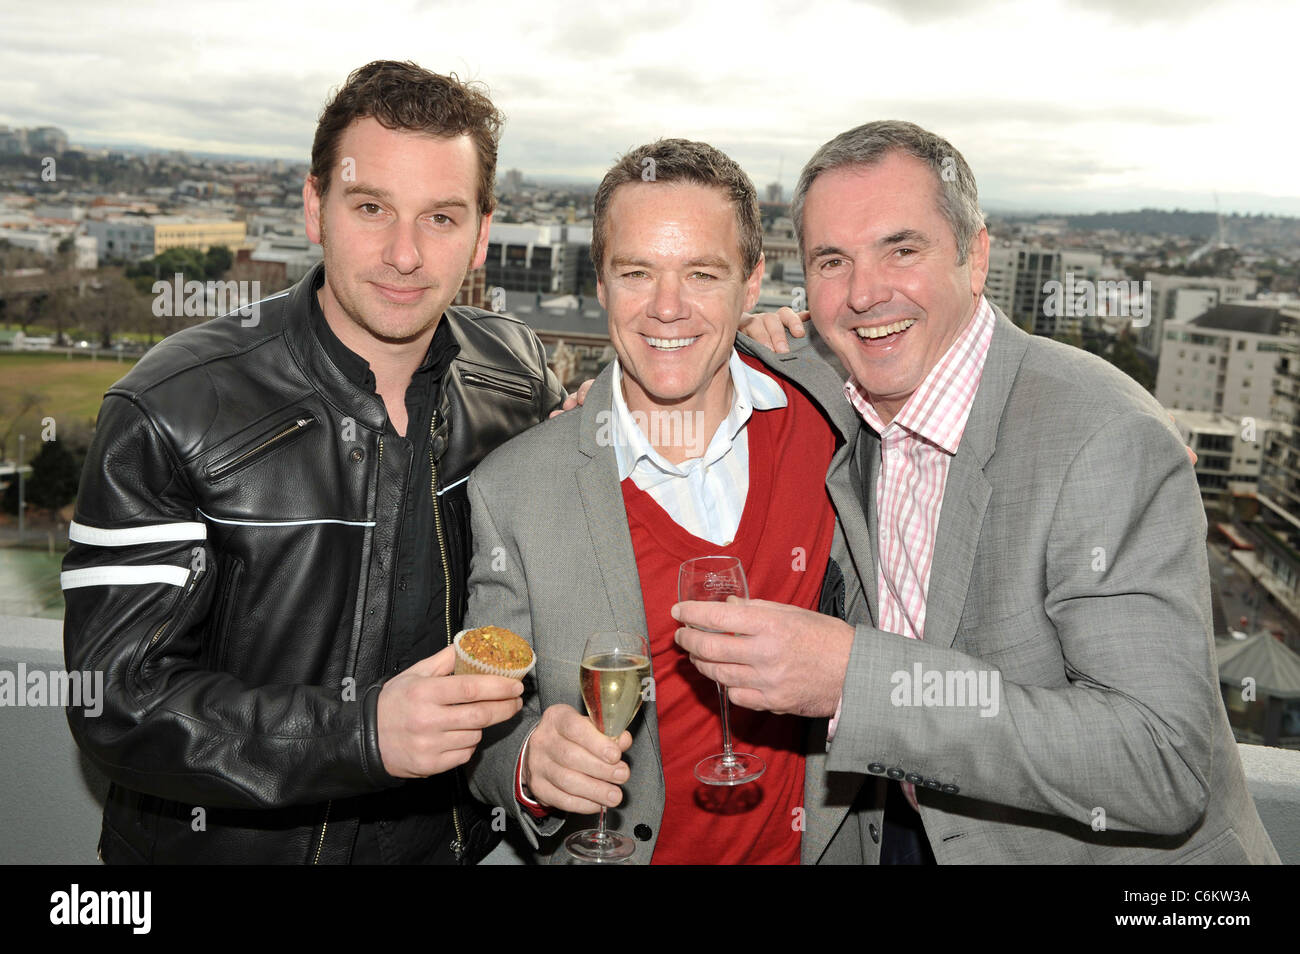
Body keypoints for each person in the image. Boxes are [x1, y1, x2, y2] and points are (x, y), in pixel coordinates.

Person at [674, 120, 1280, 864]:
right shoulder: (838, 387)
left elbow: (1161, 761)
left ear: (977, 256)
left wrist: (853, 678)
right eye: (833, 261)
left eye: (902, 249)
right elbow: (678, 345)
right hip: (899, 830)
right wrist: (601, 405)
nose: (864, 293)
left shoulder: (1103, 438)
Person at [61, 60, 567, 864]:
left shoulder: (522, 378)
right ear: (314, 208)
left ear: (481, 233)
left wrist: (761, 356)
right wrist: (358, 734)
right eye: (372, 208)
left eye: (441, 217)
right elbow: (117, 702)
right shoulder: (169, 409)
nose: (404, 254)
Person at [464, 139, 871, 864]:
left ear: (752, 286)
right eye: (637, 272)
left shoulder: (833, 416)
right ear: (599, 285)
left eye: (702, 274)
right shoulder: (514, 490)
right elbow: (485, 724)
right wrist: (529, 765)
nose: (667, 308)